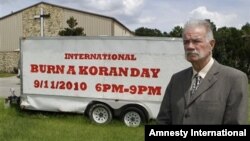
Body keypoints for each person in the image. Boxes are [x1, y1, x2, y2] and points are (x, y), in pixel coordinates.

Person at [156, 19, 248, 124]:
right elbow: (163, 120)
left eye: (196, 41)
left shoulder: (234, 79)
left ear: (211, 44)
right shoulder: (176, 79)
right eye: (186, 42)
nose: (190, 46)